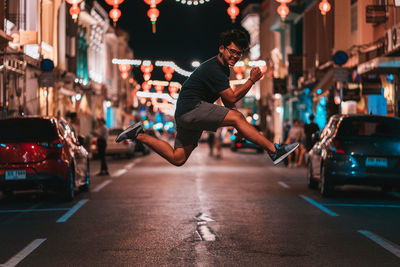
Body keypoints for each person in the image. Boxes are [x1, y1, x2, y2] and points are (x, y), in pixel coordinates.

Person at [116, 29, 298, 166]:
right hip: (192, 109)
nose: (235, 56)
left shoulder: (222, 69)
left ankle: (138, 135)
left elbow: (228, 103)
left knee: (177, 158)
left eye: (239, 54)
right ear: (222, 48)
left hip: (187, 113)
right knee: (237, 117)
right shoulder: (215, 69)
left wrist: (240, 127)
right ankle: (275, 150)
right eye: (232, 51)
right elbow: (232, 99)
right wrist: (251, 80)